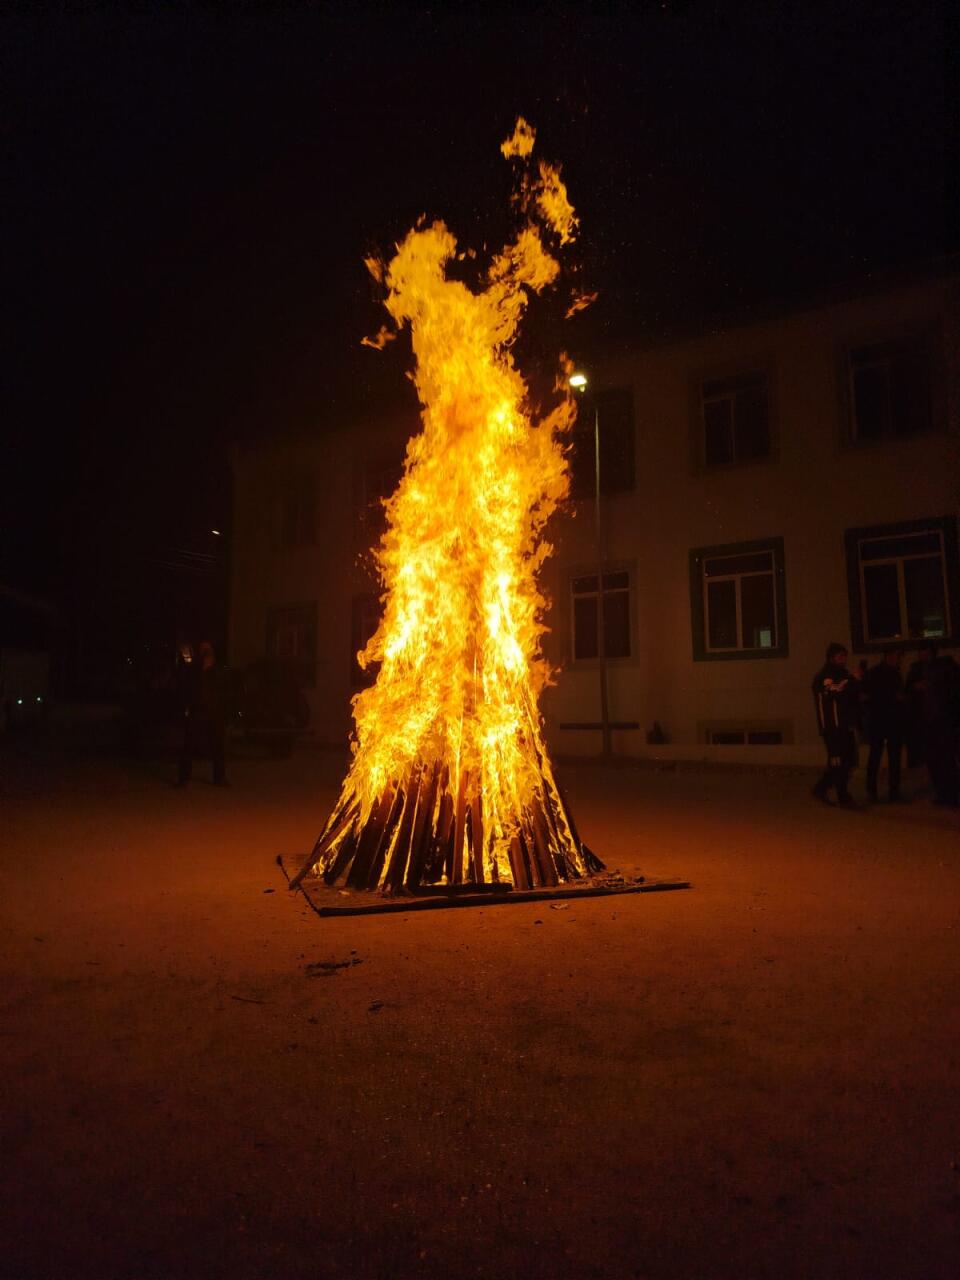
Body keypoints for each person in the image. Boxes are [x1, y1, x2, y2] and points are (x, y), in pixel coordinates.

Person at [905, 643, 959, 806]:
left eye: (926, 654)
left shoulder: (945, 667)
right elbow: (908, 689)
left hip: (943, 721)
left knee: (947, 759)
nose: (923, 657)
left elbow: (954, 690)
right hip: (927, 722)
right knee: (934, 760)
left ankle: (952, 794)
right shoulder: (916, 669)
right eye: (921, 653)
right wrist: (914, 687)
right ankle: (943, 794)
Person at [811, 642, 861, 805]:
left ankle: (822, 788)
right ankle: (842, 796)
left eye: (844, 656)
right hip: (832, 728)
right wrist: (852, 680)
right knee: (837, 762)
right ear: (831, 657)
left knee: (848, 761)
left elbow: (850, 697)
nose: (843, 659)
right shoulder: (824, 676)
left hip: (845, 726)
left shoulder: (844, 674)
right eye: (840, 656)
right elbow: (834, 690)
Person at [176, 640, 228, 787]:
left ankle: (219, 778)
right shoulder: (193, 670)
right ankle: (183, 778)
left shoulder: (216, 670)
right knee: (188, 745)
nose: (205, 653)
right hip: (196, 711)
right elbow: (187, 688)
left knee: (218, 745)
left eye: (208, 650)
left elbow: (221, 689)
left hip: (213, 712)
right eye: (203, 650)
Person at [863, 648, 906, 802]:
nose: (899, 660)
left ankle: (878, 791)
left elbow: (866, 696)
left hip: (883, 720)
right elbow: (868, 696)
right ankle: (886, 792)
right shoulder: (886, 674)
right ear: (889, 656)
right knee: (883, 756)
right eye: (897, 657)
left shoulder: (885, 673)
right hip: (883, 720)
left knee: (882, 756)